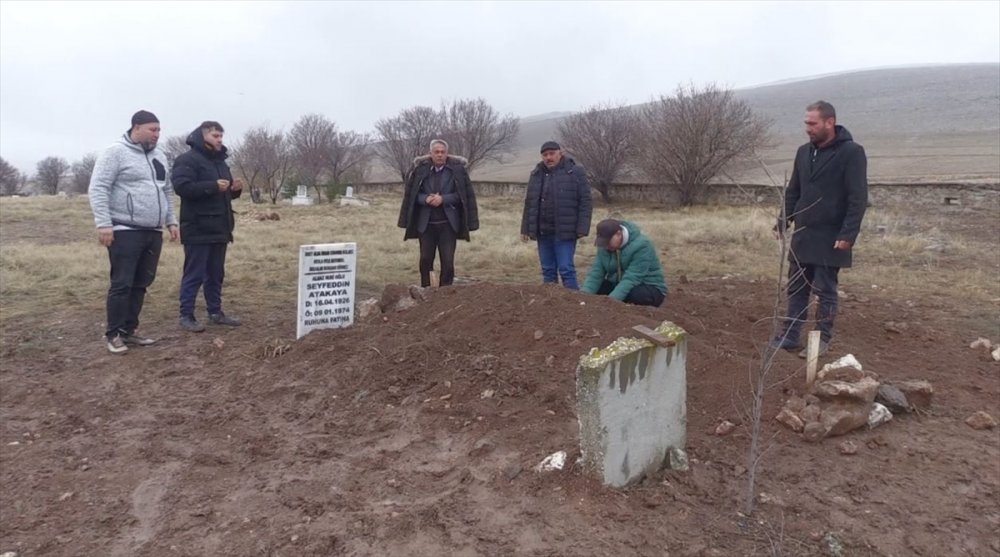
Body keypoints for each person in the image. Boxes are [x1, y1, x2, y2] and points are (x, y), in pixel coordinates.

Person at [772, 100, 868, 357]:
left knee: (825, 290)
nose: (808, 128)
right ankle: (790, 336)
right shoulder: (804, 152)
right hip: (804, 235)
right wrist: (783, 221)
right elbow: (794, 191)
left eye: (813, 123)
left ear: (829, 122)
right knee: (796, 287)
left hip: (831, 237)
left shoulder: (851, 153)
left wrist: (848, 234)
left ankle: (822, 340)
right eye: (806, 123)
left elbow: (857, 198)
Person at [88, 110, 179, 354]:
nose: (157, 134)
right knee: (122, 283)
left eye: (159, 130)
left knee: (142, 283)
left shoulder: (160, 155)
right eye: (152, 129)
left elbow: (166, 190)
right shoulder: (115, 152)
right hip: (124, 229)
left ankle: (130, 330)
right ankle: (114, 334)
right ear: (135, 128)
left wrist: (171, 221)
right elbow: (99, 188)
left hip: (153, 230)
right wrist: (104, 223)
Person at [171, 121, 243, 332]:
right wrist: (212, 186)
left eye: (221, 136)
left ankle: (215, 312)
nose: (220, 140)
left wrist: (235, 190)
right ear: (202, 137)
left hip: (220, 228)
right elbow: (182, 187)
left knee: (216, 273)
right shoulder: (187, 160)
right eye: (215, 136)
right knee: (194, 273)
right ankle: (186, 315)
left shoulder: (221, 163)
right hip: (197, 227)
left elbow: (226, 194)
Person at [397, 139, 479, 287]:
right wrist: (426, 199)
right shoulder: (420, 170)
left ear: (447, 154)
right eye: (437, 152)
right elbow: (412, 194)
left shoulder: (458, 171)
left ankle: (445, 294)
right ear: (431, 154)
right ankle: (426, 290)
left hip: (448, 225)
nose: (440, 155)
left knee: (447, 262)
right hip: (426, 225)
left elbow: (463, 195)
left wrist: (443, 199)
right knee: (425, 260)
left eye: (443, 152)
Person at [520, 141, 592, 289]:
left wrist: (582, 228)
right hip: (543, 231)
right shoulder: (536, 174)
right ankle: (550, 307)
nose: (548, 157)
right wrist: (525, 228)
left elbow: (585, 201)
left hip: (565, 231)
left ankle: (574, 305)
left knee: (566, 269)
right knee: (548, 271)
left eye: (552, 153)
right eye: (545, 155)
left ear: (560, 153)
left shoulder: (575, 171)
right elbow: (530, 203)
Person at [581, 219, 667, 306]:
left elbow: (632, 277)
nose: (606, 246)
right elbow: (596, 274)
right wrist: (583, 297)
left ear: (618, 234)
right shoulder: (604, 247)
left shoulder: (643, 245)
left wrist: (610, 302)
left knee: (636, 295)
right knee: (599, 287)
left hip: (647, 286)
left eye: (608, 242)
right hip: (619, 284)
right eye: (603, 243)